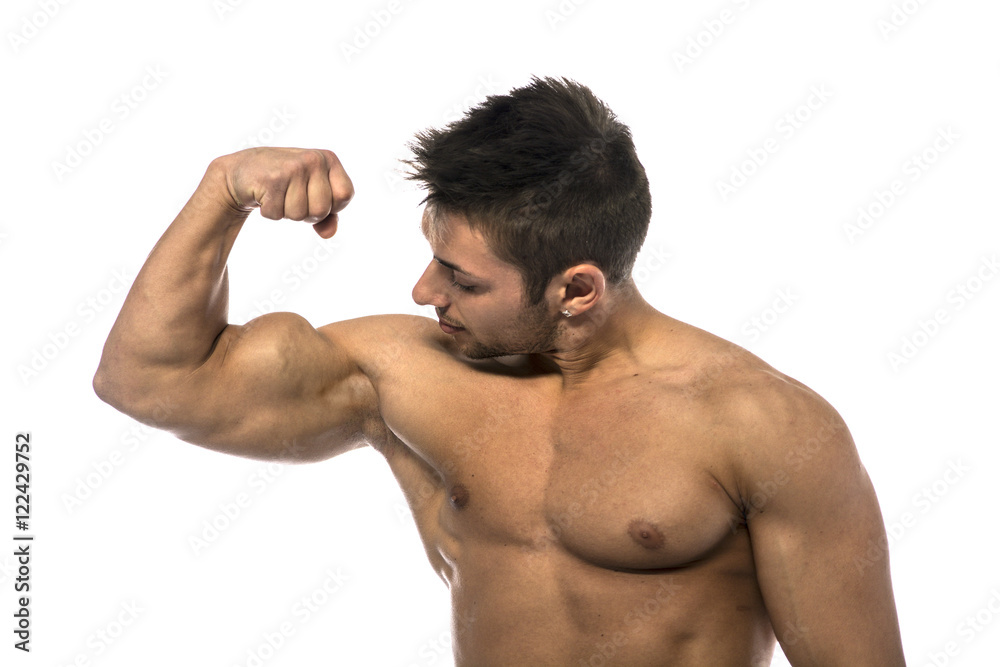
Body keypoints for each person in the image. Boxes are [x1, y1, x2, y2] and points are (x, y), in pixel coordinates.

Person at [94, 77, 905, 666]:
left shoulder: (764, 426)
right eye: (434, 257)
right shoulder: (406, 372)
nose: (424, 291)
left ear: (576, 289)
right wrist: (223, 190)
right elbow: (146, 380)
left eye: (464, 279)